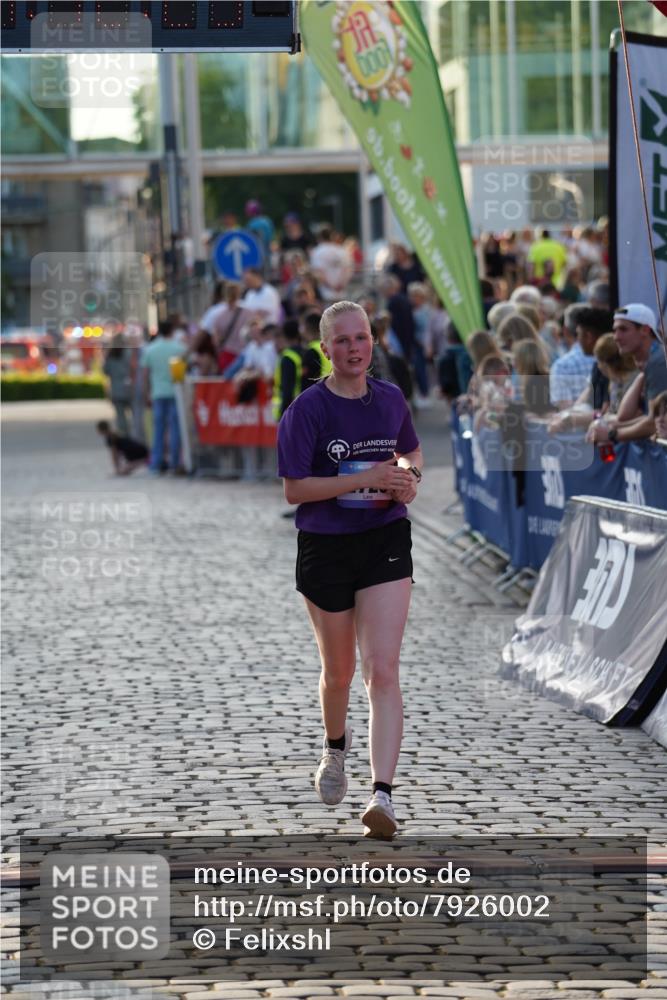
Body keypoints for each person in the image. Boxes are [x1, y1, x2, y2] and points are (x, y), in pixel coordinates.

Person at [277, 301, 422, 838]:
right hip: (326, 545)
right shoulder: (307, 410)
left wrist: (405, 479)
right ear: (326, 349)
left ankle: (382, 795)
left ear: (372, 342)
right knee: (338, 672)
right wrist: (360, 478)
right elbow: (294, 488)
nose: (354, 348)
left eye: (361, 337)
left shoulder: (390, 399)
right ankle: (335, 748)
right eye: (342, 340)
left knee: (381, 668)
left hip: (384, 538)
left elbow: (411, 455)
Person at [588, 303, 667, 445]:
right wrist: (612, 425)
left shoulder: (659, 361)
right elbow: (624, 417)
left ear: (645, 330)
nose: (616, 337)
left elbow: (653, 423)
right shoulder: (652, 361)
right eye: (615, 330)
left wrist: (612, 433)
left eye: (623, 329)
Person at [140, 319, 186, 474]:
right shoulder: (179, 348)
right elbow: (182, 374)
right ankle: (174, 462)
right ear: (172, 331)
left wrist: (146, 393)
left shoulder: (150, 350)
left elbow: (145, 375)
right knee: (175, 430)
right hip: (175, 393)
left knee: (158, 430)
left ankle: (156, 463)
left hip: (157, 393)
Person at [272, 319, 305, 420]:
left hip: (292, 411)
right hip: (305, 407)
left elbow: (287, 389)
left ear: (284, 336)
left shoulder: (287, 357)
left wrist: (283, 415)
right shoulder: (307, 352)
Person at [309, 226, 352, 302]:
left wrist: (331, 287)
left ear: (320, 237)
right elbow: (347, 270)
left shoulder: (317, 252)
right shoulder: (342, 251)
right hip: (341, 293)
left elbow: (318, 273)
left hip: (325, 294)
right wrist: (340, 286)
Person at [102, 332, 132, 435]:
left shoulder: (110, 355)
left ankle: (124, 435)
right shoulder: (129, 353)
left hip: (116, 389)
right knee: (134, 414)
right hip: (129, 388)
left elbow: (105, 371)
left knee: (120, 416)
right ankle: (133, 434)